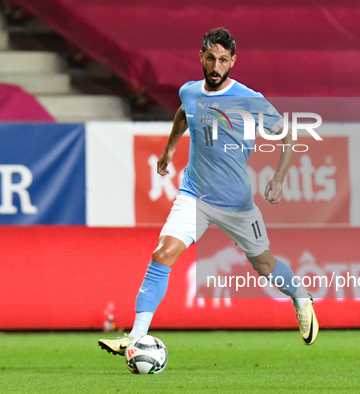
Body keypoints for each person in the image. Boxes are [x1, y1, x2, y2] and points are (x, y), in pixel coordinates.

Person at [99, 27, 318, 355]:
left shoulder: (248, 99)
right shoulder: (189, 92)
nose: (216, 66)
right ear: (201, 56)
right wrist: (169, 149)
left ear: (233, 62)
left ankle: (301, 298)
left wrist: (278, 179)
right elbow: (182, 116)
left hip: (236, 203)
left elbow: (288, 135)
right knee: (162, 254)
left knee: (264, 265)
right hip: (194, 196)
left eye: (223, 60)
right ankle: (135, 336)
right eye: (211, 58)